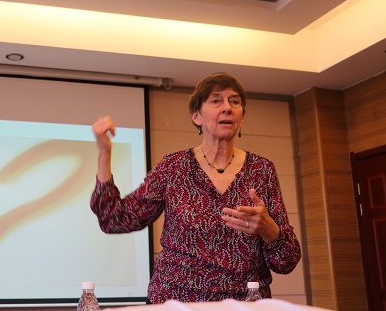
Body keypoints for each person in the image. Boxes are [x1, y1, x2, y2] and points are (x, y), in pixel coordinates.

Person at [90, 72, 301, 303]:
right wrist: (104, 153)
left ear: (241, 117)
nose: (227, 108)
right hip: (176, 300)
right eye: (216, 100)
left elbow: (287, 262)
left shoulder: (262, 170)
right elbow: (114, 219)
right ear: (196, 116)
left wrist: (269, 229)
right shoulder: (173, 167)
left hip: (245, 302)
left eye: (234, 101)